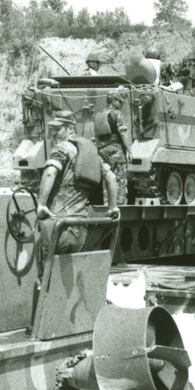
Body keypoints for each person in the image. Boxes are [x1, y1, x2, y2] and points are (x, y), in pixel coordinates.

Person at [35, 111, 119, 278]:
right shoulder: (89, 152)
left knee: (47, 277)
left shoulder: (63, 148)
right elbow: (111, 177)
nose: (54, 133)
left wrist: (41, 204)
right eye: (52, 129)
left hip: (58, 228)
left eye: (58, 129)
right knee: (66, 276)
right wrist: (113, 207)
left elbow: (50, 172)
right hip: (79, 229)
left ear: (70, 128)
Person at [95, 92, 132, 199]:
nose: (121, 104)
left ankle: (108, 205)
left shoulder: (99, 114)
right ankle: (120, 206)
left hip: (102, 151)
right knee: (120, 180)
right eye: (120, 102)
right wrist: (129, 150)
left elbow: (97, 135)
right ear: (114, 101)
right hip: (116, 150)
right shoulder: (117, 114)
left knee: (107, 178)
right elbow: (123, 133)